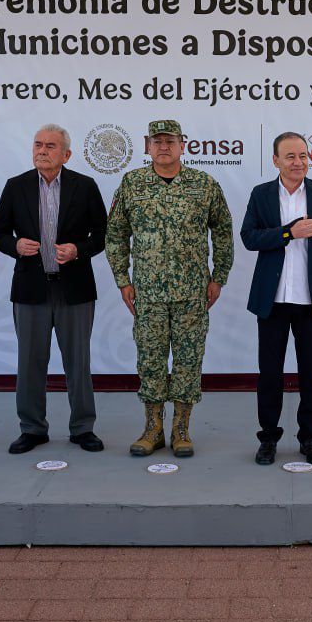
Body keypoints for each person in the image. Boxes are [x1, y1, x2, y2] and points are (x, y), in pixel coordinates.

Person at [106, 119, 233, 458]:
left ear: (182, 145)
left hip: (192, 293)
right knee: (150, 360)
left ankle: (181, 429)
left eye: (170, 141)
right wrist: (123, 280)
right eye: (157, 141)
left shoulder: (203, 185)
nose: (163, 147)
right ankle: (153, 429)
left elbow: (223, 231)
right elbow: (116, 234)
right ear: (147, 146)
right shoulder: (132, 183)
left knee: (188, 361)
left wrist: (218, 277)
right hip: (148, 293)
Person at [0, 124, 107, 454]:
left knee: (78, 363)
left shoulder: (85, 186)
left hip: (75, 289)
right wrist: (15, 245)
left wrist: (78, 250)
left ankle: (83, 428)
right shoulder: (16, 186)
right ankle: (32, 429)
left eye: (50, 146)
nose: (42, 150)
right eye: (38, 144)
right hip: (30, 289)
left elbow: (103, 235)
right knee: (30, 363)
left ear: (66, 154)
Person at [240, 132, 312, 466]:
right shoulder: (261, 194)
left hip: (310, 300)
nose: (298, 162)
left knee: (311, 372)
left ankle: (309, 438)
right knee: (269, 372)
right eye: (290, 156)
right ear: (276, 161)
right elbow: (249, 238)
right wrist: (288, 232)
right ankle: (268, 438)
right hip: (272, 299)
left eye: (303, 155)